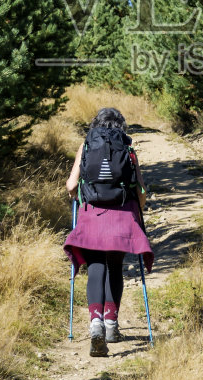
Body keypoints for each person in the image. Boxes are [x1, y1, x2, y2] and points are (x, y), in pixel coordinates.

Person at [64, 107, 153, 357]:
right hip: (122, 215)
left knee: (96, 267)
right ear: (121, 127)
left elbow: (72, 185)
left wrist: (77, 194)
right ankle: (112, 325)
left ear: (96, 124)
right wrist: (138, 209)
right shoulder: (128, 150)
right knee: (115, 267)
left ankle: (96, 326)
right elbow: (141, 192)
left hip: (93, 213)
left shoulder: (86, 146)